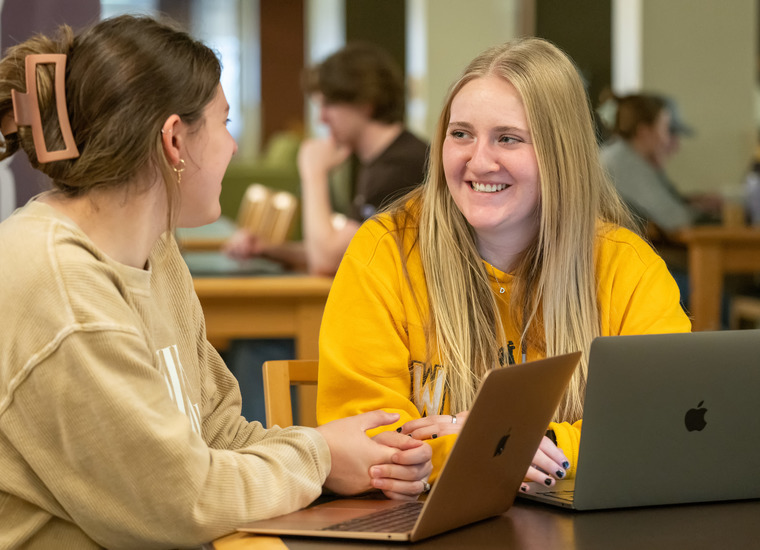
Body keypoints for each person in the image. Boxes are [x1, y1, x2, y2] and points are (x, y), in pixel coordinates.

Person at [0, 16, 432, 548]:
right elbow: (181, 502)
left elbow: (218, 433)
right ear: (174, 140)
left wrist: (354, 456)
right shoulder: (64, 292)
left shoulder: (156, 248)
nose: (232, 147)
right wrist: (321, 457)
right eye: (224, 124)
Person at [316, 38, 691, 491]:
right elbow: (361, 440)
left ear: (561, 152)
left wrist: (533, 443)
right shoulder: (384, 250)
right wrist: (486, 447)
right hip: (420, 520)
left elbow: (664, 422)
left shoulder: (625, 264)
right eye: (461, 134)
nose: (478, 161)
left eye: (508, 138)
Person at [224, 42, 429, 276]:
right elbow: (344, 250)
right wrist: (268, 250)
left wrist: (314, 173)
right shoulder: (391, 158)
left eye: (328, 104)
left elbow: (326, 262)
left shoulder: (399, 168)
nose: (321, 118)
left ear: (365, 103)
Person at [600, 93, 721, 235]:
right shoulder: (622, 161)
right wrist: (706, 211)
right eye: (665, 129)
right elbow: (675, 219)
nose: (667, 140)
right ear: (644, 132)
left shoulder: (623, 155)